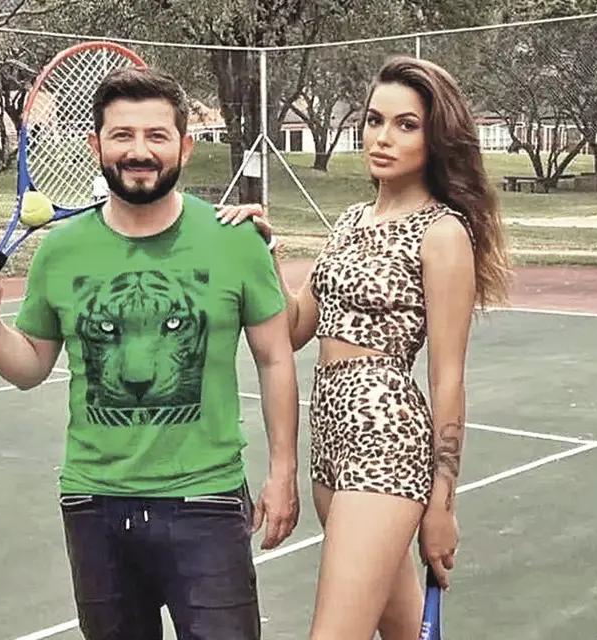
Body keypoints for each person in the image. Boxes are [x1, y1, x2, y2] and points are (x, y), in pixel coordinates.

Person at [0, 66, 301, 640]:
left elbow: (276, 359)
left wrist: (283, 473)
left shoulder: (235, 240)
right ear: (96, 145)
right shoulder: (61, 250)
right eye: (122, 135)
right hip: (95, 502)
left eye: (157, 135)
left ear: (185, 146)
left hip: (206, 498)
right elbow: (30, 366)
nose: (139, 151)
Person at [215, 56, 512, 639]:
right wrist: (263, 252)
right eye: (375, 120)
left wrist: (443, 503)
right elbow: (296, 326)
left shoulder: (442, 233)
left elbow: (447, 377)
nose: (382, 137)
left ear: (435, 138)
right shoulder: (351, 220)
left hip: (386, 441)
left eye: (406, 125)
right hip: (330, 436)